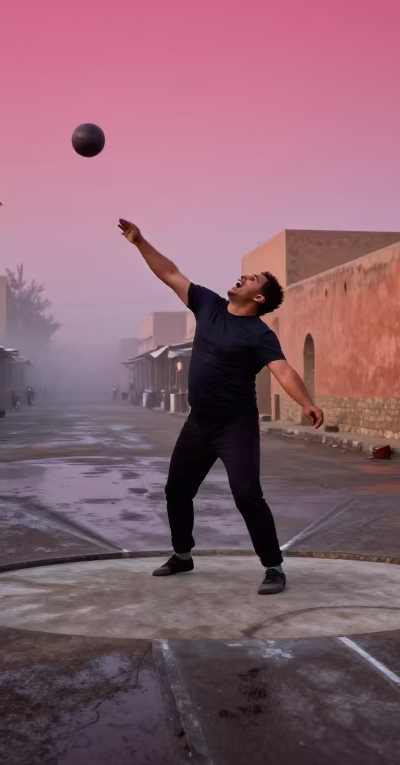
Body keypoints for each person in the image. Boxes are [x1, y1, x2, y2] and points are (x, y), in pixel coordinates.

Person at [119, 218, 323, 596]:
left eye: (252, 280)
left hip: (235, 426)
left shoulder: (259, 334)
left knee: (247, 494)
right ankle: (183, 555)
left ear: (258, 298)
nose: (243, 277)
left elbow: (283, 370)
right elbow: (170, 273)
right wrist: (140, 242)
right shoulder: (209, 305)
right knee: (176, 490)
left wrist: (307, 403)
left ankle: (273, 567)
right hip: (198, 423)